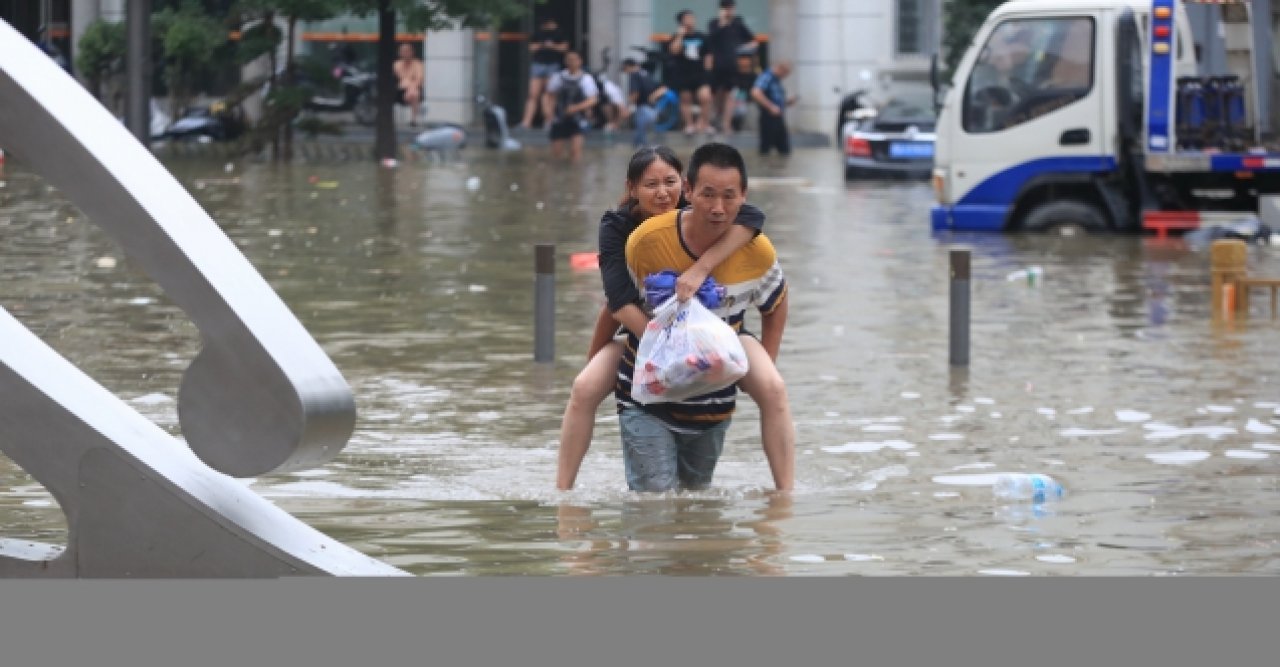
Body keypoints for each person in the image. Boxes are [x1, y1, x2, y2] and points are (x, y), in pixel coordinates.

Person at [555, 145, 795, 493]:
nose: (662, 193)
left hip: (721, 330)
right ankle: (564, 491)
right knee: (584, 387)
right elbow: (617, 303)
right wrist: (666, 344)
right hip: (645, 328)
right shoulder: (624, 231)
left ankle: (785, 495)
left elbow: (752, 217)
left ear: (683, 187)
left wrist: (702, 267)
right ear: (632, 189)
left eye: (669, 182)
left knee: (773, 387)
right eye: (651, 184)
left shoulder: (711, 214)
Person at [705, 1, 757, 134]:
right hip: (717, 66)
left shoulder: (738, 25)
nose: (728, 11)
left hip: (732, 65)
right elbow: (710, 40)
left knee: (730, 94)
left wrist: (742, 49)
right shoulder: (714, 23)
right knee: (715, 94)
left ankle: (726, 124)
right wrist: (722, 23)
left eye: (730, 8)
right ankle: (714, 119)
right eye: (725, 8)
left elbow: (753, 41)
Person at [544, 51, 599, 162]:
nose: (571, 62)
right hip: (559, 118)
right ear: (565, 61)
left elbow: (593, 100)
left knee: (576, 152)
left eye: (574, 59)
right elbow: (549, 95)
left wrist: (576, 108)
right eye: (569, 59)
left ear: (580, 61)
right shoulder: (558, 77)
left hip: (578, 119)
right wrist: (547, 111)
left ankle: (576, 176)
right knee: (556, 154)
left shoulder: (586, 79)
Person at [666, 9, 713, 136]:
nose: (691, 20)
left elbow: (708, 55)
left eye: (692, 18)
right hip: (683, 73)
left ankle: (704, 123)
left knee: (705, 97)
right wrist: (680, 35)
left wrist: (708, 72)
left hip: (700, 73)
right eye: (687, 18)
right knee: (686, 99)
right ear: (681, 21)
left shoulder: (702, 36)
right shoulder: (676, 37)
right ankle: (689, 125)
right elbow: (674, 51)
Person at [519, 17, 569, 129]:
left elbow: (564, 48)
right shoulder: (538, 33)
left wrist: (552, 46)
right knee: (533, 94)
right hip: (538, 64)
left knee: (549, 94)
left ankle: (548, 119)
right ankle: (526, 121)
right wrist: (543, 45)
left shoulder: (559, 33)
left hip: (553, 64)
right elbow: (532, 47)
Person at [621, 58, 673, 147]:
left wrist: (628, 108)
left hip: (643, 109)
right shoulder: (646, 73)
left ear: (628, 67)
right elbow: (664, 88)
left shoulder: (634, 75)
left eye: (624, 69)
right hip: (653, 110)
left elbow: (635, 93)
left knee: (641, 140)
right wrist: (653, 97)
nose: (625, 72)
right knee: (644, 137)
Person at [750, 61, 797, 157]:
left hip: (778, 118)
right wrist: (770, 107)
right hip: (768, 118)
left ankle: (777, 169)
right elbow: (755, 92)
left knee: (784, 149)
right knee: (766, 149)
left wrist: (786, 102)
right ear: (780, 69)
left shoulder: (776, 80)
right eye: (786, 74)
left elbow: (776, 99)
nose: (785, 77)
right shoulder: (767, 77)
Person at [392, 43, 424, 127]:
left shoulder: (418, 64)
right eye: (403, 51)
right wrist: (410, 84)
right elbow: (400, 79)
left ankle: (413, 120)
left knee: (414, 93)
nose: (405, 53)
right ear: (400, 53)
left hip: (413, 89)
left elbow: (419, 79)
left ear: (412, 52)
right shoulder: (396, 65)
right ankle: (413, 119)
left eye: (407, 51)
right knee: (413, 92)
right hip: (399, 91)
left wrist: (411, 86)